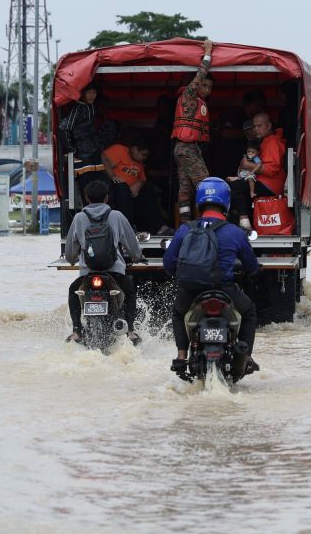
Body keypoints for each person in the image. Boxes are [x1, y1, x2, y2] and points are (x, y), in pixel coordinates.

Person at [163, 177, 260, 375]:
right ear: (226, 202)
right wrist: (254, 272)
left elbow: (168, 264)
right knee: (249, 313)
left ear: (199, 201)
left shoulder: (185, 230)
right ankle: (247, 357)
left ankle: (181, 357)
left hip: (192, 290)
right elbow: (251, 266)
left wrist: (182, 278)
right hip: (224, 289)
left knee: (178, 313)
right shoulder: (235, 232)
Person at [63, 179, 143, 345]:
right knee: (130, 291)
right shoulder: (117, 216)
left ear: (86, 198)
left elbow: (69, 255)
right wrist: (136, 257)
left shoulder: (78, 218)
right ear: (107, 198)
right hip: (115, 274)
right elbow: (134, 249)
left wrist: (75, 259)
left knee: (73, 291)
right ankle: (130, 330)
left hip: (88, 274)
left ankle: (77, 331)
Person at [172, 38, 216, 219]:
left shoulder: (199, 102)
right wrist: (207, 54)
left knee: (185, 188)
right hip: (187, 148)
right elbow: (200, 76)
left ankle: (185, 223)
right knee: (206, 184)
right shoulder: (189, 95)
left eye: (210, 87)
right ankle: (211, 219)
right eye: (204, 85)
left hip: (187, 149)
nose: (206, 90)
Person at [229, 112, 287, 229]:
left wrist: (247, 165)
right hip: (264, 181)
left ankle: (244, 221)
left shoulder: (273, 142)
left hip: (270, 184)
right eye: (254, 126)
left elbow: (271, 170)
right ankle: (247, 221)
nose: (255, 129)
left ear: (269, 126)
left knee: (236, 186)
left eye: (259, 126)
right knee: (239, 187)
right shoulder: (266, 141)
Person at [101, 139, 170, 235]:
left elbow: (143, 179)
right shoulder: (120, 149)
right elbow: (104, 158)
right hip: (117, 190)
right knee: (122, 187)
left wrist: (139, 185)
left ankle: (159, 227)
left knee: (149, 188)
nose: (144, 158)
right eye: (143, 154)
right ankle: (127, 227)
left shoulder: (139, 162)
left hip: (133, 193)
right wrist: (112, 176)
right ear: (135, 149)